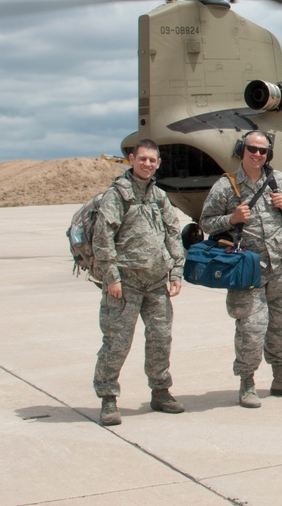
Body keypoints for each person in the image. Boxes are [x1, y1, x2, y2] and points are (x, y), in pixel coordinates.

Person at [199, 131, 282, 408]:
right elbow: (206, 222)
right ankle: (247, 381)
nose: (257, 155)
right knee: (251, 326)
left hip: (280, 267)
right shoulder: (226, 186)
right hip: (246, 269)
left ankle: (281, 376)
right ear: (242, 150)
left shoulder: (279, 181)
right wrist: (232, 218)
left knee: (279, 323)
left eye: (263, 151)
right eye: (252, 149)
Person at [92, 139, 186, 426]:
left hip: (157, 283)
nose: (147, 164)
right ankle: (108, 398)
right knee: (117, 343)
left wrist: (176, 272)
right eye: (142, 159)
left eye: (152, 160)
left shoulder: (158, 196)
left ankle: (160, 391)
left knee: (160, 340)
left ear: (157, 164)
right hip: (126, 284)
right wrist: (112, 278)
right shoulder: (117, 195)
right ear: (132, 159)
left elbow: (173, 232)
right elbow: (103, 238)